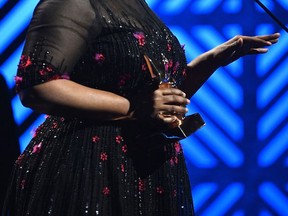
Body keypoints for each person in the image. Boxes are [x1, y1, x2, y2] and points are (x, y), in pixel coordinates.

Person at [2, 0, 280, 215]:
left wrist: (210, 62)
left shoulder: (138, 7)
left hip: (148, 170)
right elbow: (38, 85)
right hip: (88, 165)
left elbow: (158, 99)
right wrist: (134, 107)